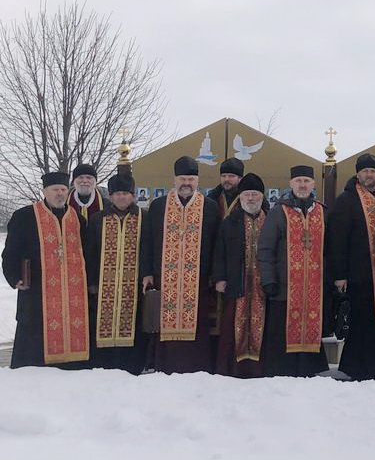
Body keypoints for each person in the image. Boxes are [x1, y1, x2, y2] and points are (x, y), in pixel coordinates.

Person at [140, 156, 221, 374]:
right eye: (183, 179)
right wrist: (147, 272)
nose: (187, 183)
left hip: (198, 280)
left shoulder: (210, 207)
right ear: (175, 180)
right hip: (163, 276)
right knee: (162, 321)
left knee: (197, 322)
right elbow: (147, 241)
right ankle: (164, 364)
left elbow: (217, 243)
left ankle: (197, 365)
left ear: (197, 181)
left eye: (191, 179)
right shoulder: (158, 206)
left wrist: (214, 274)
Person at [2, 172, 90, 368]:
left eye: (63, 190)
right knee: (34, 337)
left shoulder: (77, 219)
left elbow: (88, 253)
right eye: (55, 190)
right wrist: (15, 276)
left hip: (71, 293)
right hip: (37, 291)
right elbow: (10, 252)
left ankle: (72, 365)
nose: (59, 194)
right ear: (45, 191)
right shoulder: (24, 216)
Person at [257, 165, 330, 377]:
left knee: (311, 324)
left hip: (313, 285)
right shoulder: (279, 211)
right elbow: (266, 248)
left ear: (313, 184)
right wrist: (269, 280)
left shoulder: (322, 212)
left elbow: (330, 249)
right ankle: (282, 369)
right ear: (291, 184)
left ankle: (310, 367)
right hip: (284, 285)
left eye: (306, 181)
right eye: (298, 181)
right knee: (282, 328)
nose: (302, 185)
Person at [330, 153, 375, 380]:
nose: (369, 175)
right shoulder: (347, 199)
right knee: (362, 320)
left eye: (373, 171)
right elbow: (338, 239)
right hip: (359, 271)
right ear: (358, 173)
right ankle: (357, 366)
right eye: (365, 171)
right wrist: (340, 274)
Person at [84, 173, 147, 373]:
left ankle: (133, 365)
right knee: (102, 324)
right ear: (110, 197)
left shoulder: (144, 218)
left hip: (134, 286)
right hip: (104, 287)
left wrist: (148, 275)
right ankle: (104, 364)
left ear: (133, 196)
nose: (122, 198)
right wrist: (92, 281)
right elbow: (90, 252)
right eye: (117, 194)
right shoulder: (97, 220)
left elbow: (149, 250)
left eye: (126, 194)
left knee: (134, 324)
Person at [212, 174, 270, 378]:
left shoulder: (271, 219)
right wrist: (219, 278)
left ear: (262, 196)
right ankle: (232, 368)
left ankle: (258, 369)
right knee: (232, 327)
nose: (251, 199)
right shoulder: (231, 221)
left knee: (263, 327)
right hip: (238, 283)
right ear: (241, 197)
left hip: (264, 286)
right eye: (247, 194)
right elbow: (219, 251)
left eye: (255, 194)